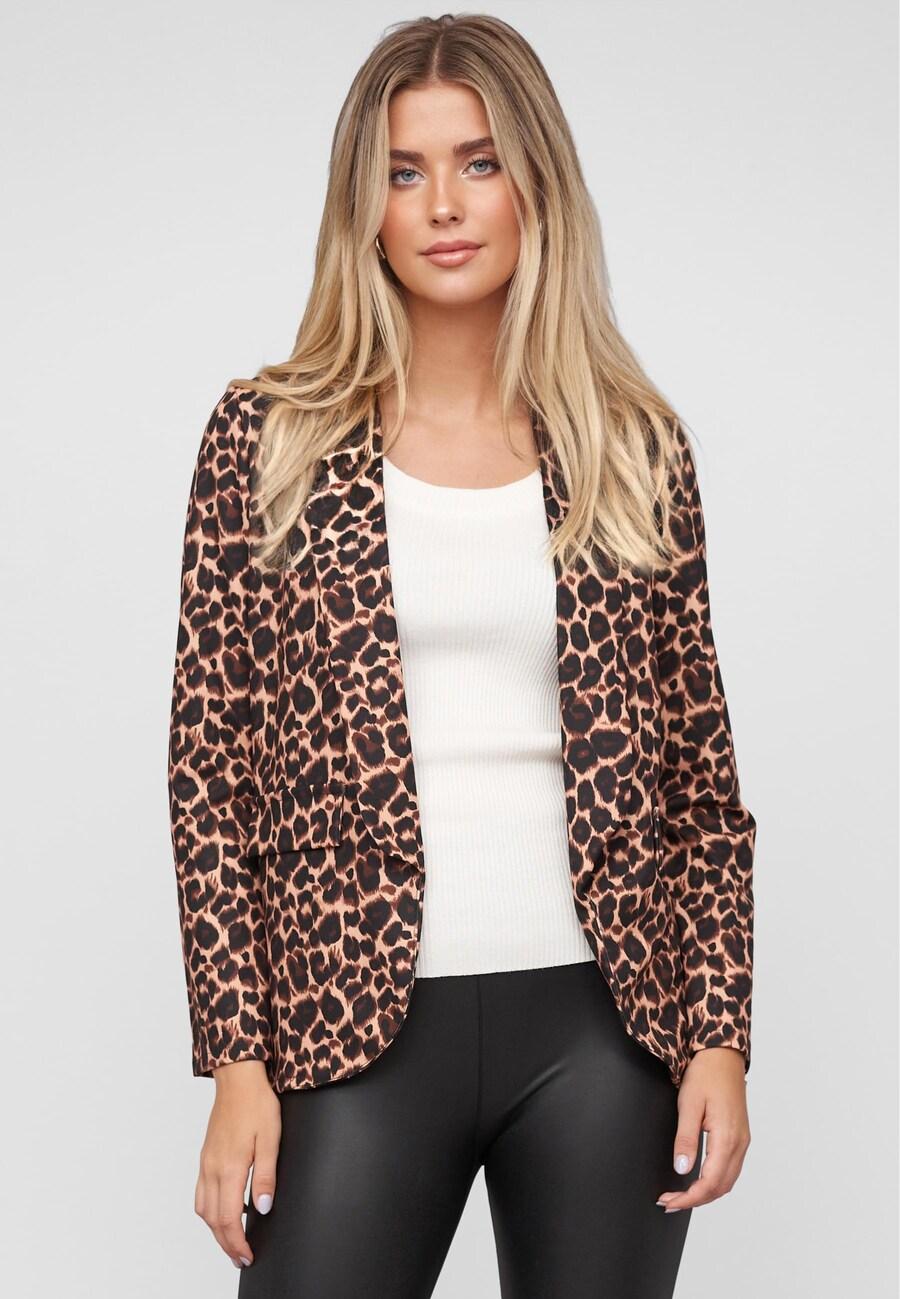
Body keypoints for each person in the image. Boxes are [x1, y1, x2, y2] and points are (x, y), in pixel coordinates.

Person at [166, 14, 756, 1297]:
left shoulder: (631, 448)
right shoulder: (266, 440)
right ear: (364, 207)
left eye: (479, 163)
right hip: (346, 1022)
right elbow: (209, 776)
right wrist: (237, 1061)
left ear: (536, 182)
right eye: (404, 171)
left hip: (607, 1025)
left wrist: (719, 1038)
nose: (443, 204)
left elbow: (701, 781)